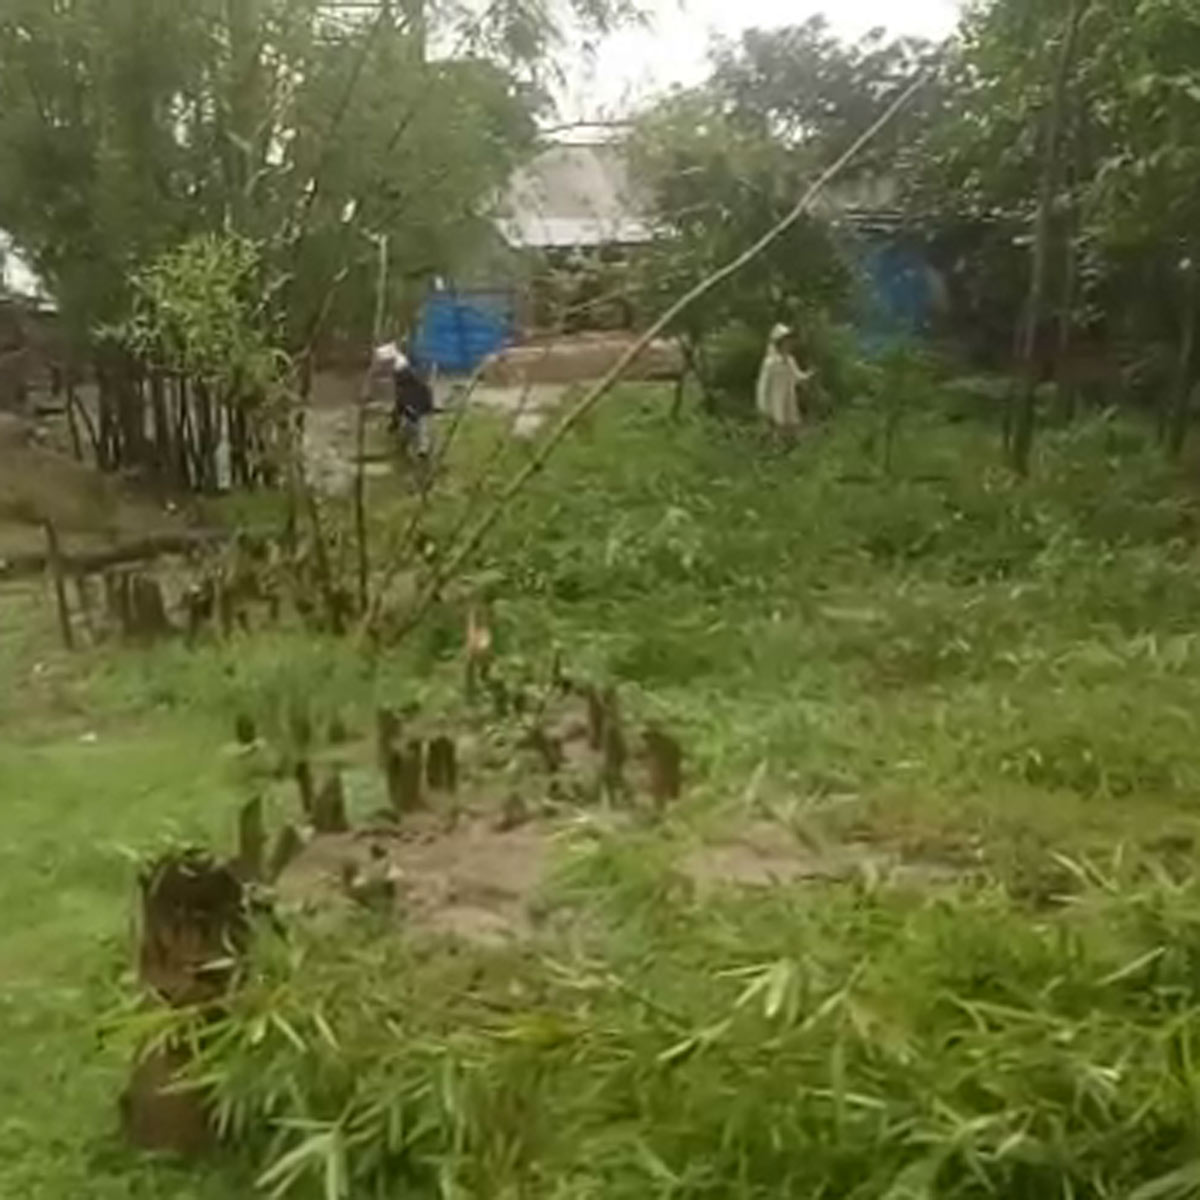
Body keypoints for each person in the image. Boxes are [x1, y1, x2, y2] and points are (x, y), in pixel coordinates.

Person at [374, 339, 434, 460]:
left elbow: (401, 400)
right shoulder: (404, 373)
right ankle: (413, 449)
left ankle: (421, 450)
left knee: (418, 426)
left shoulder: (403, 378)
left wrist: (395, 419)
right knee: (413, 426)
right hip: (417, 403)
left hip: (418, 404)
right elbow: (401, 401)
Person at [755, 323, 811, 437]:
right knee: (776, 433)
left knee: (790, 432)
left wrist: (808, 376)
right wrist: (763, 408)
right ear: (779, 343)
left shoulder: (790, 361)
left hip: (788, 403)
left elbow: (797, 377)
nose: (789, 344)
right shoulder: (770, 363)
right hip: (774, 405)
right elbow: (763, 386)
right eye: (786, 341)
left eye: (790, 341)